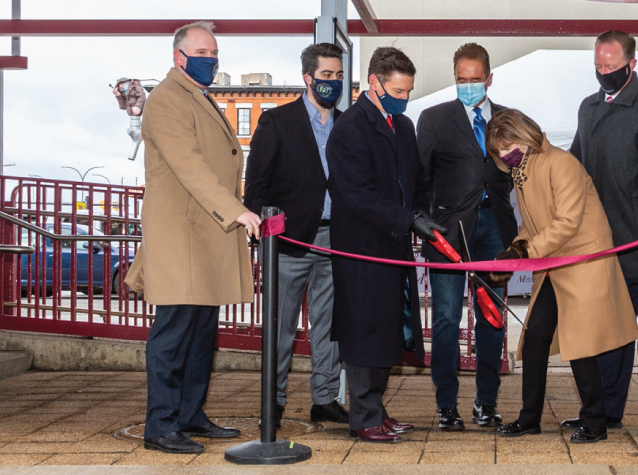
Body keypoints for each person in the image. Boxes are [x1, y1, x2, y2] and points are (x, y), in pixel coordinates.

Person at [125, 20, 253, 455]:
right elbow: (190, 165)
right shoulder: (166, 100)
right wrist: (236, 209)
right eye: (202, 51)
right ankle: (160, 424)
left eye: (214, 53)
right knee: (173, 333)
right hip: (182, 236)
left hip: (203, 235)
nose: (210, 59)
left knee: (201, 333)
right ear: (178, 57)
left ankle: (189, 414)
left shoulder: (196, 96)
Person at [482, 109, 638, 443]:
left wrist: (525, 252)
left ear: (525, 134)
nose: (503, 154)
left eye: (507, 145)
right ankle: (530, 418)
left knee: (581, 343)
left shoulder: (561, 162)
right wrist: (514, 250)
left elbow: (567, 222)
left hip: (585, 261)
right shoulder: (522, 170)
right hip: (556, 263)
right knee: (537, 336)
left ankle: (595, 421)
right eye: (498, 150)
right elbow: (533, 224)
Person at [566, 30, 638, 436]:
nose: (603, 73)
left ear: (632, 64)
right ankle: (608, 409)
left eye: (611, 67)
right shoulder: (589, 108)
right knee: (609, 332)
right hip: (600, 246)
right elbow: (574, 167)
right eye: (598, 66)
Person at [326, 46, 431, 444]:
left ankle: (377, 409)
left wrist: (420, 212)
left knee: (388, 328)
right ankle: (363, 415)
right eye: (398, 92)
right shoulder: (350, 129)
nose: (404, 100)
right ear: (374, 83)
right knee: (364, 330)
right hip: (362, 248)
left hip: (395, 246)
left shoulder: (403, 127)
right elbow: (357, 195)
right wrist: (408, 220)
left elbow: (416, 180)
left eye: (408, 92)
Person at [243, 42, 350, 425]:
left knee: (330, 325)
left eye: (338, 76)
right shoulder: (277, 122)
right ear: (308, 77)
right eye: (326, 76)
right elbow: (255, 186)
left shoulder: (347, 123)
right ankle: (272, 402)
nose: (333, 82)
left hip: (335, 240)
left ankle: (324, 399)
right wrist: (263, 231)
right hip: (288, 242)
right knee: (280, 326)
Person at [414, 42, 518, 431]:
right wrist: (424, 222)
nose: (469, 86)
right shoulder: (435, 118)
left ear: (489, 79)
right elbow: (419, 180)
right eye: (462, 80)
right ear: (454, 79)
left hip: (495, 230)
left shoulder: (508, 120)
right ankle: (446, 405)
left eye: (475, 80)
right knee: (444, 320)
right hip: (447, 233)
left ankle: (486, 403)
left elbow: (522, 176)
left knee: (492, 320)